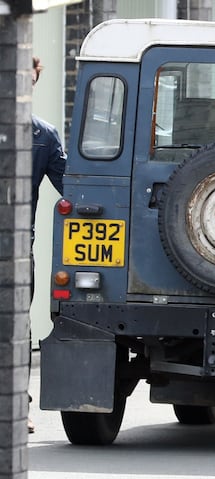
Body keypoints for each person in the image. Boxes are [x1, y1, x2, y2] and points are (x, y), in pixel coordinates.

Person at [29, 56, 66, 434]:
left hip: (16, 247)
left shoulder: (43, 136)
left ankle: (12, 405)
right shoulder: (41, 135)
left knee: (11, 327)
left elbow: (72, 188)